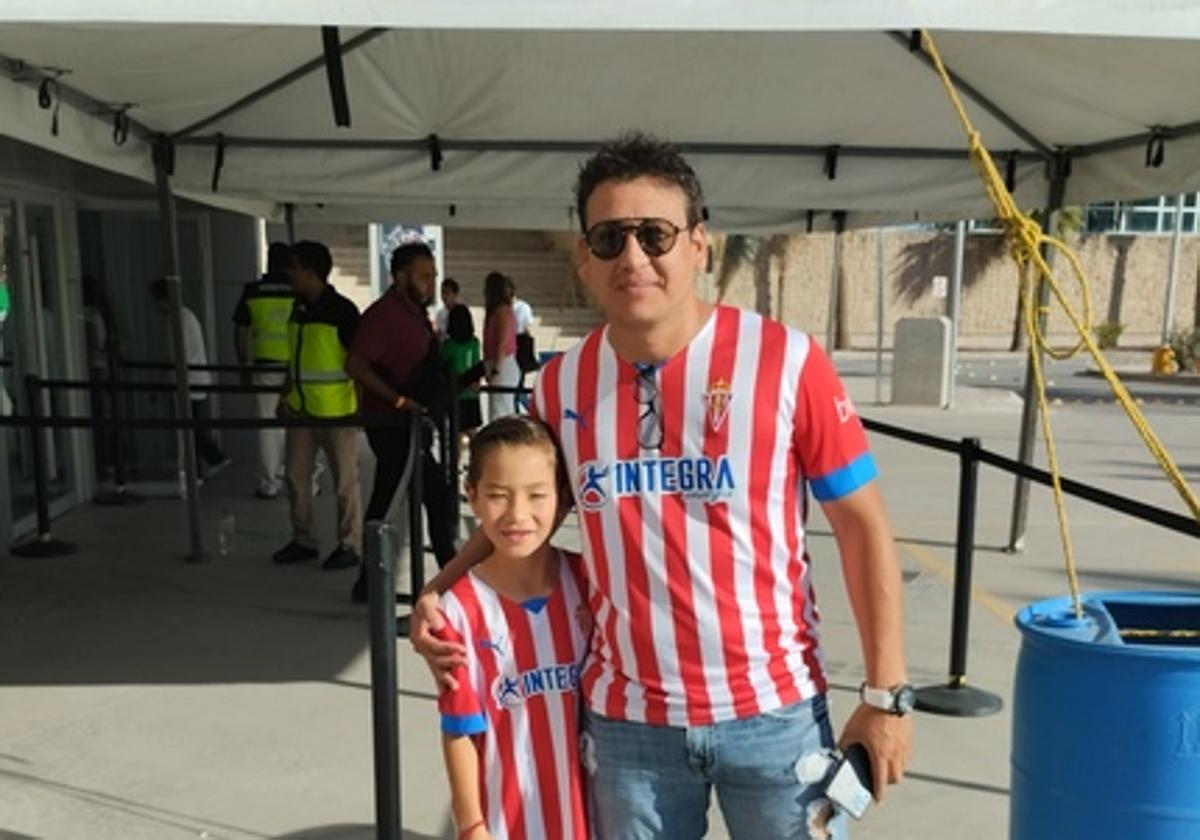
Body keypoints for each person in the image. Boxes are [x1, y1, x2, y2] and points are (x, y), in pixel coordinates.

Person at [413, 133, 911, 839]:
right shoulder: (558, 386)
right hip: (629, 730)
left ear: (699, 244)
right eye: (610, 238)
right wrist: (440, 591)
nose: (634, 257)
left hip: (775, 717)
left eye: (656, 234)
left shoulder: (786, 361)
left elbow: (863, 525)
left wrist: (887, 697)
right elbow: (525, 516)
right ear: (585, 257)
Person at [436, 415, 589, 840]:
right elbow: (459, 731)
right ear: (473, 497)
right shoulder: (460, 610)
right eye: (498, 496)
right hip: (508, 823)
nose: (517, 514)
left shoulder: (588, 582)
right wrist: (471, 826)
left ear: (561, 499)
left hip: (596, 818)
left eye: (536, 495)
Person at [345, 242, 459, 603]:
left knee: (396, 499)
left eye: (433, 277)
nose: (430, 284)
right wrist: (398, 400)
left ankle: (369, 581)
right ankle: (451, 580)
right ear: (399, 277)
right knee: (423, 499)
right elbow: (356, 365)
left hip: (410, 422)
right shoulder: (383, 316)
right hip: (392, 423)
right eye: (424, 276)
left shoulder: (412, 313)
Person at [272, 240, 363, 571]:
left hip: (337, 412)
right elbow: (294, 360)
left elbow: (360, 362)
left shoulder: (342, 311)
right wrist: (285, 395)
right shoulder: (297, 308)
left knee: (344, 483)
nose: (289, 274)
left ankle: (349, 544)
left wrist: (361, 409)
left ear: (311, 272)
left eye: (294, 268)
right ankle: (303, 539)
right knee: (296, 477)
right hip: (301, 409)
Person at [150, 278, 230, 480]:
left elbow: (177, 356)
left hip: (189, 381)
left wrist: (162, 380)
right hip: (193, 379)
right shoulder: (183, 317)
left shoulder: (180, 320)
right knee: (193, 428)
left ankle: (211, 461)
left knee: (191, 429)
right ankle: (201, 468)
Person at [232, 242, 294, 499]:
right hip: (295, 368)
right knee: (299, 424)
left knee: (268, 424)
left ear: (269, 261)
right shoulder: (298, 290)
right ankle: (304, 480)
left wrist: (243, 364)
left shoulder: (253, 291)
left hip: (265, 365)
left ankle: (269, 484)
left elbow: (240, 331)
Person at [438, 303, 484, 436]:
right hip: (472, 392)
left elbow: (443, 366)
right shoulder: (474, 342)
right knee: (472, 432)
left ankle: (455, 457)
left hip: (455, 392)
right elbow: (476, 364)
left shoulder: (448, 346)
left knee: (455, 434)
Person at [482, 271, 519, 420]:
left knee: (500, 410)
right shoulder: (498, 311)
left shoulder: (502, 311)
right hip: (498, 363)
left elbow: (502, 344)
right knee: (498, 407)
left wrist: (496, 370)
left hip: (502, 364)